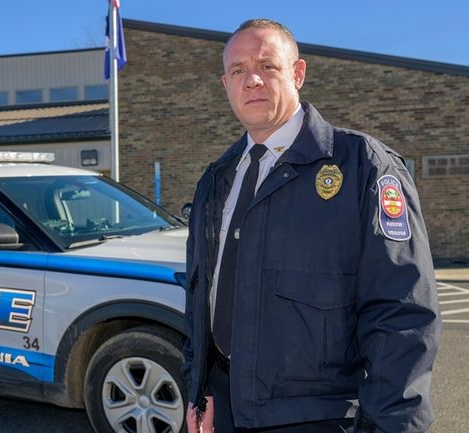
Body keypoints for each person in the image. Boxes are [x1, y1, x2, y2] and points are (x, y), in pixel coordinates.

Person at [183, 19, 441, 433]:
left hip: (324, 419)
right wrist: (199, 391)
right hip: (227, 413)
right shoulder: (216, 180)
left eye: (267, 66)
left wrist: (391, 426)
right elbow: (201, 303)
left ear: (297, 73)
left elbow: (404, 313)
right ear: (225, 85)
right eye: (237, 70)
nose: (251, 80)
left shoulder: (362, 165)